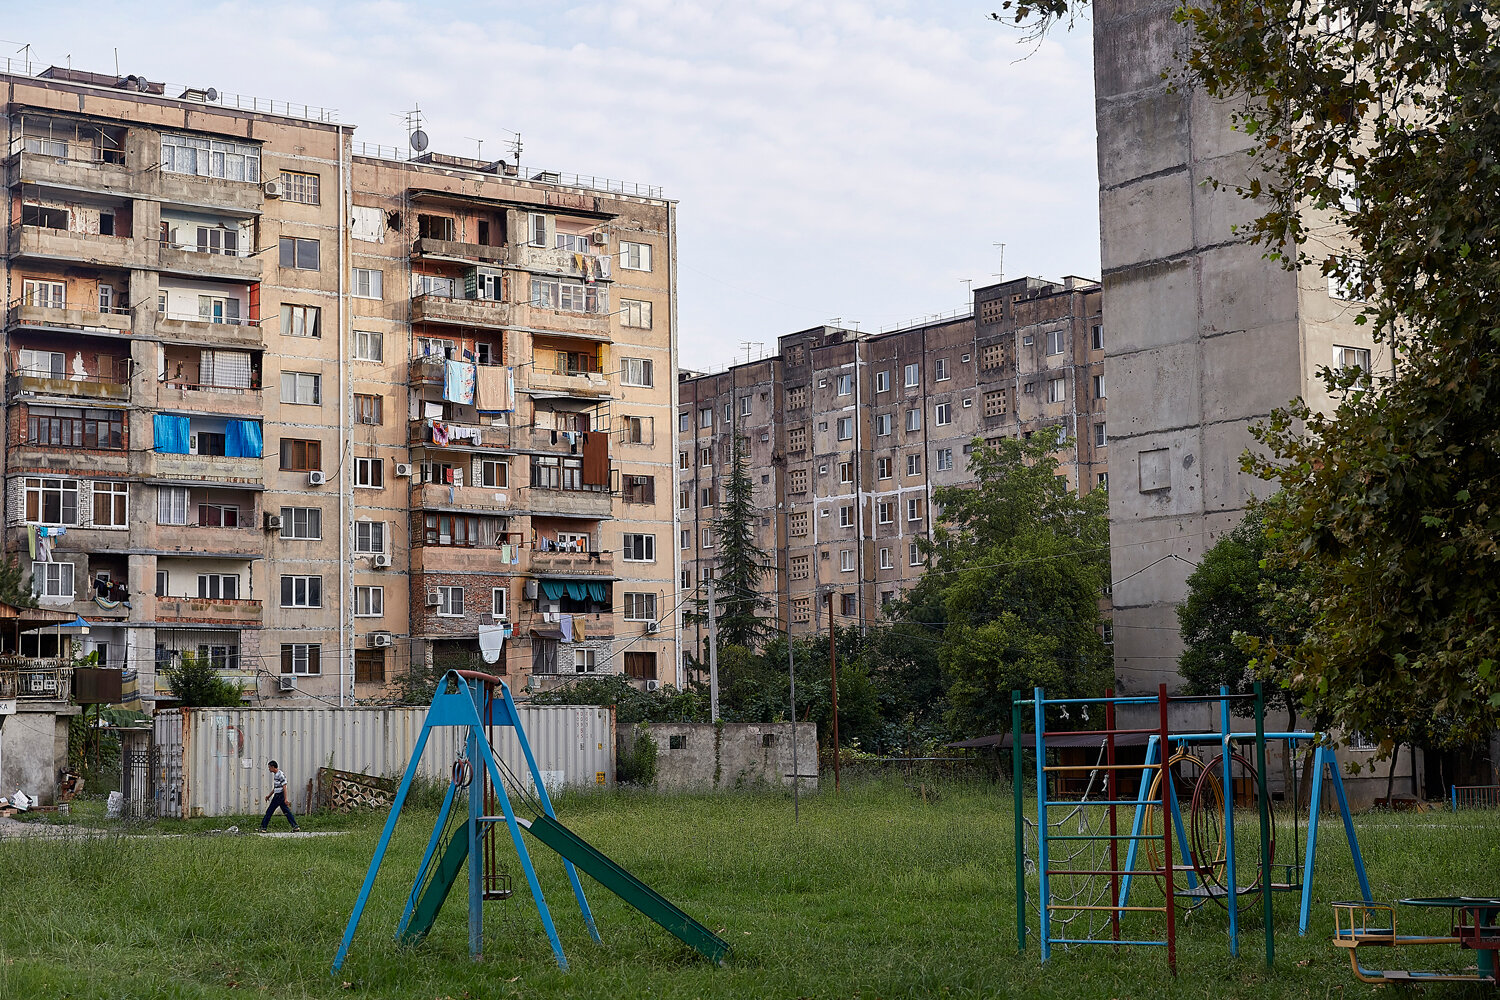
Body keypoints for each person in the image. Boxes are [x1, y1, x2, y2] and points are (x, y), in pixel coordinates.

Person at [259, 760, 301, 833]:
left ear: (273, 767)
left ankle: (263, 827)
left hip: (279, 796)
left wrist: (285, 799)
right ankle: (295, 826)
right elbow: (276, 788)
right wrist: (269, 795)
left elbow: (284, 786)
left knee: (269, 811)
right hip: (278, 795)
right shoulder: (276, 775)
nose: (269, 769)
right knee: (286, 812)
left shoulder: (280, 774)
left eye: (269, 767)